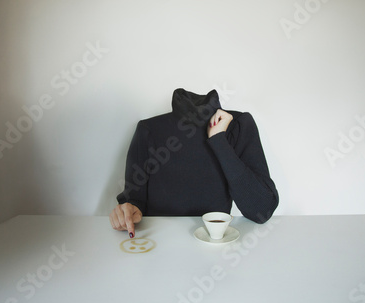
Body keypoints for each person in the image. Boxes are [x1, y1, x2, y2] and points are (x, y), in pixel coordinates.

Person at [109, 88, 279, 237]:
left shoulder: (237, 126)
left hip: (213, 247)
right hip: (159, 247)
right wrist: (127, 212)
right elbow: (134, 202)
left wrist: (219, 141)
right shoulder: (149, 130)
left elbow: (262, 210)